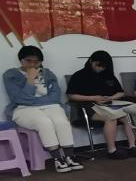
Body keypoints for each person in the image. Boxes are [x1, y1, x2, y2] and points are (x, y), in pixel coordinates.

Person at [3, 45, 83, 173]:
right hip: (23, 109)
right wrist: (30, 79)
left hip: (51, 106)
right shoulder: (11, 75)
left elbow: (55, 97)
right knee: (44, 122)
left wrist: (33, 100)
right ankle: (58, 159)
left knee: (61, 122)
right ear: (21, 60)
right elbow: (19, 99)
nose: (32, 64)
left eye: (36, 62)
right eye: (28, 61)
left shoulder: (48, 73)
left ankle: (70, 156)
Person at [66, 50, 136, 160]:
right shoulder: (79, 75)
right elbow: (71, 95)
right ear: (91, 61)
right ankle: (112, 150)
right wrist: (93, 98)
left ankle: (132, 146)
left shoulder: (108, 75)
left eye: (103, 66)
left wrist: (110, 98)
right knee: (110, 118)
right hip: (88, 107)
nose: (100, 68)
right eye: (98, 65)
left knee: (128, 117)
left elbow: (120, 92)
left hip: (109, 105)